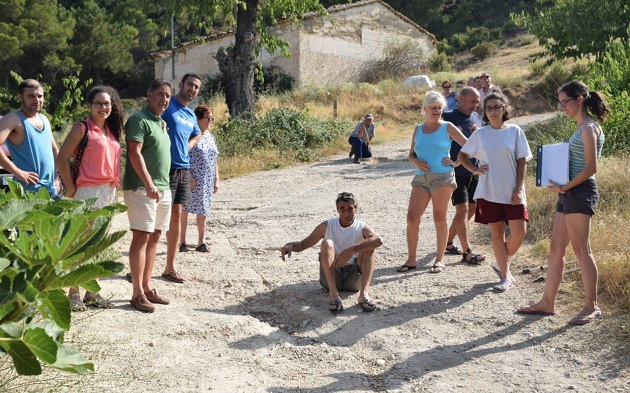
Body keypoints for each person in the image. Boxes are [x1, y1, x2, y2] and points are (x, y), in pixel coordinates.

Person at [517, 81, 608, 325]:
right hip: (568, 192)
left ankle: (591, 306)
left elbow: (591, 167)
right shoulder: (581, 127)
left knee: (581, 250)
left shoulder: (589, 128)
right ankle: (548, 303)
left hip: (579, 192)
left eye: (565, 101)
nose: (562, 107)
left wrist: (564, 187)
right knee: (556, 249)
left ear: (579, 100)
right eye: (560, 102)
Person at [57, 86, 123, 311]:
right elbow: (62, 157)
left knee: (98, 245)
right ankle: (74, 293)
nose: (103, 107)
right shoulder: (82, 128)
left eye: (107, 104)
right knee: (81, 243)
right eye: (98, 103)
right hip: (87, 192)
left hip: (108, 192)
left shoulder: (111, 131)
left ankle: (92, 292)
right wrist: (71, 188)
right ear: (90, 105)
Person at [458, 93, 532, 292]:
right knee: (497, 234)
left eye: (496, 107)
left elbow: (522, 160)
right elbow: (462, 155)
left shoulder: (515, 131)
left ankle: (501, 264)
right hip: (489, 190)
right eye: (488, 108)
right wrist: (474, 170)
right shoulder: (480, 134)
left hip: (512, 191)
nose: (492, 111)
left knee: (519, 232)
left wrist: (518, 188)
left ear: (504, 109)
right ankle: (505, 277)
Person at [397, 91, 469, 274]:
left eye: (439, 107)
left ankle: (439, 259)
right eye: (433, 107)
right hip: (420, 178)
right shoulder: (418, 129)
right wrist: (416, 161)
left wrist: (457, 162)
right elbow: (411, 154)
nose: (437, 111)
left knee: (439, 217)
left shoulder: (447, 126)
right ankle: (411, 260)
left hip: (443, 177)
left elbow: (469, 144)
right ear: (425, 109)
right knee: (412, 218)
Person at [279, 192, 382, 314]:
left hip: (354, 278)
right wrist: (290, 245)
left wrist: (351, 250)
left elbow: (378, 240)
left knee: (370, 246)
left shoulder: (361, 227)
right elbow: (303, 244)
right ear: (337, 210)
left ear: (356, 208)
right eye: (342, 209)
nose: (346, 213)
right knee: (327, 243)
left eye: (350, 209)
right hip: (332, 277)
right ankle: (333, 294)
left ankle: (364, 294)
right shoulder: (327, 225)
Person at [122, 79, 173, 313]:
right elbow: (134, 153)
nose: (164, 99)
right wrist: (149, 183)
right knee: (141, 237)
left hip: (162, 188)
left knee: (155, 237)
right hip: (142, 188)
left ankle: (148, 287)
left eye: (168, 96)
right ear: (149, 95)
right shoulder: (138, 120)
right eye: (161, 94)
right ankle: (137, 293)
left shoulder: (160, 123)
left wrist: (159, 186)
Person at [161, 73, 203, 283]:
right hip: (164, 168)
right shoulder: (168, 105)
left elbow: (197, 134)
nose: (193, 89)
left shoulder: (190, 114)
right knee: (157, 216)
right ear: (181, 85)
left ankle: (170, 266)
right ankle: (140, 267)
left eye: (196, 87)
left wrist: (189, 146)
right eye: (190, 85)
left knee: (176, 215)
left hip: (182, 169)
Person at [442, 87, 485, 264]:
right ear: (460, 98)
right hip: (455, 173)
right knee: (462, 209)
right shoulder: (447, 117)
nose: (475, 105)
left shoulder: (477, 118)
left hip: (473, 171)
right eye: (472, 101)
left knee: (472, 209)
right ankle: (467, 251)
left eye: (477, 102)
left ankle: (447, 242)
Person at [0, 79, 60, 199]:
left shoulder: (44, 119)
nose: (37, 100)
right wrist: (18, 172)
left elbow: (54, 150)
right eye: (31, 96)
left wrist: (57, 177)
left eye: (40, 96)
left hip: (51, 190)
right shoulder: (13, 119)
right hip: (29, 191)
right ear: (20, 97)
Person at [180, 105, 220, 253]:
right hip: (192, 178)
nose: (210, 121)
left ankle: (201, 242)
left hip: (207, 179)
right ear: (198, 119)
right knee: (184, 210)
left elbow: (215, 158)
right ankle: (182, 242)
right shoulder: (190, 135)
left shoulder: (210, 136)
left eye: (211, 118)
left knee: (203, 210)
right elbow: (183, 157)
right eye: (207, 118)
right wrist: (188, 176)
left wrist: (216, 179)